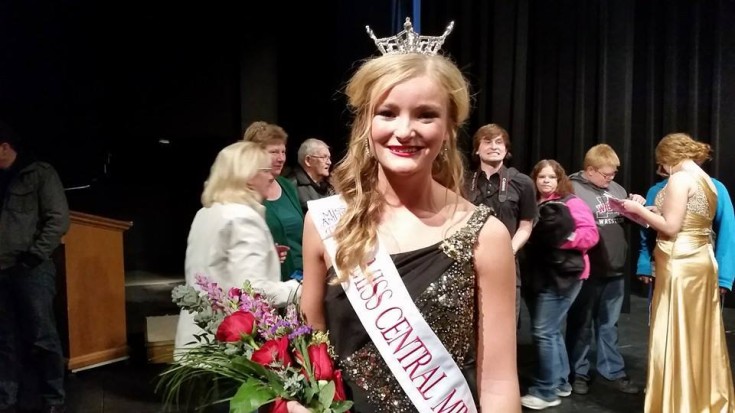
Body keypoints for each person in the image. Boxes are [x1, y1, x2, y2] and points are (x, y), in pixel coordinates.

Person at [299, 18, 520, 413]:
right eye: (387, 112)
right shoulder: (325, 222)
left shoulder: (487, 236)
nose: (405, 130)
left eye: (425, 115)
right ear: (366, 123)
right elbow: (308, 352)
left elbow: (499, 381)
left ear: (449, 127)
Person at [621, 133, 735, 411]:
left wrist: (636, 209)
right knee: (698, 333)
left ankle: (676, 402)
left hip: (679, 261)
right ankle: (702, 397)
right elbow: (688, 218)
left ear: (667, 157)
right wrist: (648, 209)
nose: (662, 168)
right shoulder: (707, 180)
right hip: (700, 259)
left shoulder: (679, 178)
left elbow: (671, 227)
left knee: (675, 329)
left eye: (662, 162)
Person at [174, 141, 301, 350]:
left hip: (195, 341)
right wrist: (300, 289)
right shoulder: (244, 217)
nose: (271, 176)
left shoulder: (206, 212)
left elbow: (217, 266)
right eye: (265, 170)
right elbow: (252, 290)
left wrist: (267, 254)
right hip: (227, 347)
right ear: (249, 176)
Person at [0, 121, 69, 413]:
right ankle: (7, 399)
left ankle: (53, 398)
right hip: (1, 270)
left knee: (42, 336)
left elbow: (58, 219)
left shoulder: (39, 173)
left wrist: (33, 256)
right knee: (5, 340)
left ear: (4, 147)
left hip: (31, 270)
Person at [565, 144, 643, 395]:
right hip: (588, 270)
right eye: (605, 174)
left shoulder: (616, 189)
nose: (610, 179)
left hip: (615, 268)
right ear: (589, 170)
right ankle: (578, 371)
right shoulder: (572, 189)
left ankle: (613, 371)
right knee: (582, 323)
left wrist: (637, 207)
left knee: (609, 324)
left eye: (613, 174)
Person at [521, 160, 599, 410]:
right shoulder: (533, 203)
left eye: (551, 177)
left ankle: (545, 390)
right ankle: (561, 382)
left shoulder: (571, 202)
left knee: (544, 331)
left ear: (559, 180)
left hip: (564, 276)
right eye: (541, 177)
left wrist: (562, 238)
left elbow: (590, 235)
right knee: (550, 331)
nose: (545, 181)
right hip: (539, 275)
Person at [465, 123, 536, 321]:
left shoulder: (522, 182)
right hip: (469, 263)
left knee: (504, 324)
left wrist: (508, 250)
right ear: (476, 149)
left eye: (499, 142)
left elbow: (526, 225)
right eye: (487, 142)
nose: (494, 146)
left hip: (506, 263)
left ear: (506, 150)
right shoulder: (463, 181)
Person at [636, 164, 735, 293]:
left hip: (700, 268)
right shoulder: (656, 190)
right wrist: (644, 263)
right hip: (663, 266)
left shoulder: (714, 187)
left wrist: (724, 276)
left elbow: (727, 231)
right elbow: (647, 231)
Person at [242, 122, 304, 282]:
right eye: (274, 152)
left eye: (283, 151)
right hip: (268, 284)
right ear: (256, 154)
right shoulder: (245, 191)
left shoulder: (287, 186)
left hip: (301, 280)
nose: (281, 158)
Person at [288, 138, 335, 213]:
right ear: (308, 160)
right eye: (324, 157)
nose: (329, 162)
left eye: (329, 158)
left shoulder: (331, 185)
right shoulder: (291, 187)